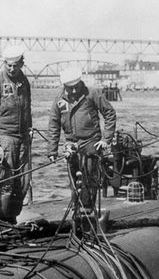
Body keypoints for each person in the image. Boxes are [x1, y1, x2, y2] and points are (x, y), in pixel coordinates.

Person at [46, 69, 117, 215]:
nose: (73, 90)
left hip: (91, 141)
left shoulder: (92, 93)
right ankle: (77, 207)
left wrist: (106, 139)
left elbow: (109, 113)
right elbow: (54, 125)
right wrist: (52, 150)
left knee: (89, 176)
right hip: (71, 143)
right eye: (69, 87)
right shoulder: (59, 99)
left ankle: (87, 209)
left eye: (76, 87)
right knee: (74, 178)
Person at [0, 44, 33, 223]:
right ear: (4, 63)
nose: (12, 69)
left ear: (21, 63)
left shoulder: (24, 82)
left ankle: (11, 219)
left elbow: (27, 109)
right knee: (4, 182)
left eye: (15, 65)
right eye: (8, 65)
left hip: (23, 138)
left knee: (23, 181)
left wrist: (30, 129)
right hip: (5, 138)